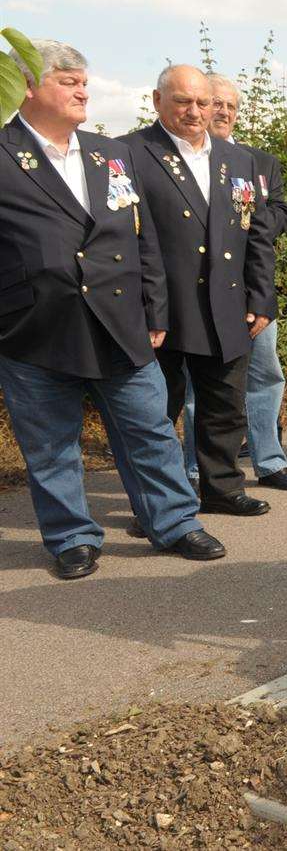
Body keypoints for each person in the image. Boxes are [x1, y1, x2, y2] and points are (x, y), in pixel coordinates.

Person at [0, 40, 226, 579]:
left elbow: (142, 236)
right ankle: (71, 536)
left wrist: (156, 310)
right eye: (67, 81)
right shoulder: (4, 154)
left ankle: (172, 523)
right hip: (34, 328)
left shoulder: (110, 152)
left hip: (120, 322)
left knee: (149, 428)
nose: (82, 90)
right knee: (52, 442)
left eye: (84, 81)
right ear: (29, 86)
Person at [119, 66, 274, 517]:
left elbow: (257, 233)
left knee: (224, 405)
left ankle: (222, 489)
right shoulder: (128, 153)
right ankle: (157, 505)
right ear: (156, 100)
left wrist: (261, 296)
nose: (195, 111)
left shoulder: (238, 159)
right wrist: (142, 306)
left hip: (228, 303)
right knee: (156, 412)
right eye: (183, 101)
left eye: (203, 102)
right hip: (159, 308)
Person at [177, 74, 287, 492]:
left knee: (266, 376)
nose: (224, 112)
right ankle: (199, 469)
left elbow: (276, 215)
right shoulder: (181, 163)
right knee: (202, 388)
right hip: (202, 300)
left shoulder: (257, 162)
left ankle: (268, 462)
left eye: (231, 105)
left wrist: (251, 225)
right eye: (216, 103)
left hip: (251, 290)